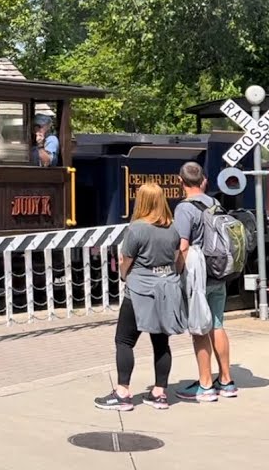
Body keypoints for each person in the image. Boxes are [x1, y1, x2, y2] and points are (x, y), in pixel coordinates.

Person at [95, 183, 185, 411]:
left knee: (124, 341)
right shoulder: (172, 229)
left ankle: (123, 393)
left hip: (140, 291)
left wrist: (125, 276)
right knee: (161, 342)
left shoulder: (136, 229)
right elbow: (178, 260)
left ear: (141, 201)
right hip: (167, 289)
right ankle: (159, 393)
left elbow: (126, 260)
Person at [172, 162, 235, 402]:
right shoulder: (215, 204)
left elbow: (183, 245)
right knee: (217, 325)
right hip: (219, 272)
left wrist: (177, 273)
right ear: (204, 181)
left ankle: (206, 384)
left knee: (199, 328)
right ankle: (227, 380)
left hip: (198, 276)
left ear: (180, 181)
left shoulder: (184, 209)